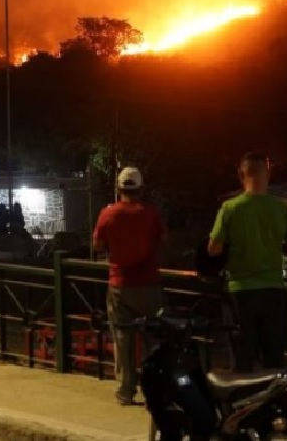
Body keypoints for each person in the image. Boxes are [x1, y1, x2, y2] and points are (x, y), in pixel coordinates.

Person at [207, 151, 287, 372]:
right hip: (273, 289)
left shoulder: (230, 208)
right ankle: (273, 402)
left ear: (242, 174)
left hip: (240, 291)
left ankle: (244, 402)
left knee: (243, 356)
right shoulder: (280, 209)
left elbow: (214, 249)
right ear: (267, 173)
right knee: (274, 356)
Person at [93, 167, 165, 405]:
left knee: (122, 339)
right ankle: (154, 387)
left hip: (119, 285)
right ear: (141, 189)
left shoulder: (107, 214)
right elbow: (164, 240)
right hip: (149, 283)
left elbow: (97, 245)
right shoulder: (151, 213)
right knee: (152, 339)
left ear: (118, 188)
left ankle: (126, 390)